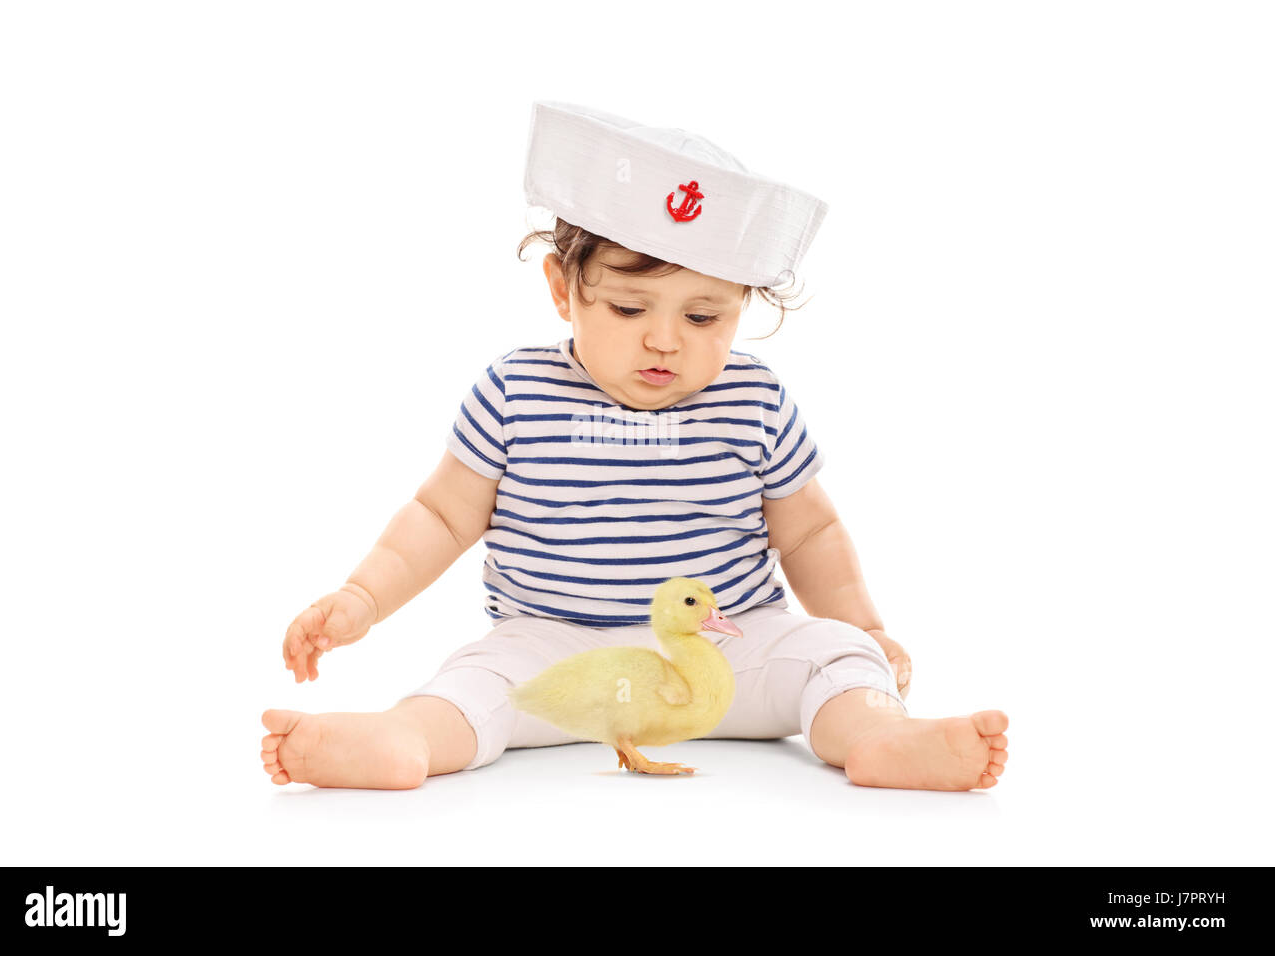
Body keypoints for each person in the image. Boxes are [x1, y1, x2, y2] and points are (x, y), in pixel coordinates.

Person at [260, 101, 1008, 791]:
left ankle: (878, 737)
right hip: (559, 654)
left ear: (741, 308)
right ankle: (404, 740)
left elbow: (810, 528)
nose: (664, 339)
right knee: (475, 681)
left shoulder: (753, 400)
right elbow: (440, 517)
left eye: (704, 317)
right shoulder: (515, 392)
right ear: (563, 288)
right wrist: (362, 598)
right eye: (628, 306)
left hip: (728, 650)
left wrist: (868, 628)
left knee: (836, 658)